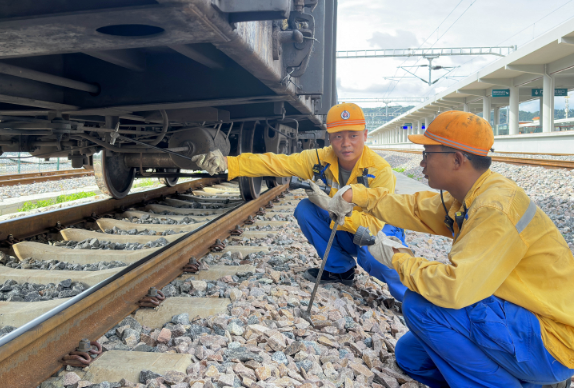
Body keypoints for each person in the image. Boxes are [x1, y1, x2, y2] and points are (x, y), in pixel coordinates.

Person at [322, 110, 574, 387]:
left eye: (428, 153)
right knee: (410, 356)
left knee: (422, 307)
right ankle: (529, 382)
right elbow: (415, 209)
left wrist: (398, 259)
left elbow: (453, 289)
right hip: (521, 315)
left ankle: (528, 378)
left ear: (457, 159)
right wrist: (357, 195)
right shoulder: (470, 195)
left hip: (551, 340)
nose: (421, 162)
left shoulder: (494, 208)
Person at [191, 102, 408, 300]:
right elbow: (275, 163)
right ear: (329, 138)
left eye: (353, 135)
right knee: (306, 209)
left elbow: (373, 226)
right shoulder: (319, 159)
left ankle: (409, 296)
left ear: (365, 135)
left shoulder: (380, 171)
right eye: (338, 136)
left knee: (373, 255)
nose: (346, 143)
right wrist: (228, 163)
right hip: (344, 228)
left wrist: (334, 207)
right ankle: (340, 270)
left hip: (376, 231)